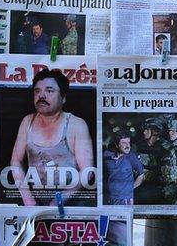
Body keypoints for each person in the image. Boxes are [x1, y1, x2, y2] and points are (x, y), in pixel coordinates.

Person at [8, 69, 94, 206]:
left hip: (70, 203)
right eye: (37, 91)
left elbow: (87, 171)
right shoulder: (27, 122)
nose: (41, 95)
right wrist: (29, 200)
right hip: (36, 202)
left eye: (49, 90)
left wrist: (57, 202)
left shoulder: (76, 124)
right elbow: (16, 161)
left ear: (63, 97)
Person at [102, 132, 144, 205]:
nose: (128, 146)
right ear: (116, 145)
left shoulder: (131, 156)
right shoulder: (106, 155)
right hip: (109, 198)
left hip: (126, 199)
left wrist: (130, 188)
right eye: (124, 143)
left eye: (128, 142)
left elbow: (141, 174)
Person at [134, 117, 168, 204]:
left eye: (147, 130)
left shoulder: (165, 148)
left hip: (157, 189)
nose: (144, 132)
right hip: (139, 187)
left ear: (155, 131)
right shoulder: (138, 146)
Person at [161, 119, 177, 204]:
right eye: (169, 131)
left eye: (173, 131)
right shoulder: (170, 149)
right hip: (167, 190)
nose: (169, 133)